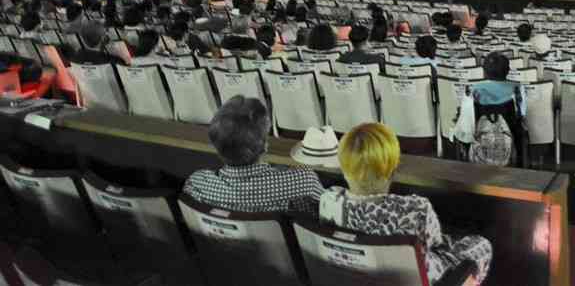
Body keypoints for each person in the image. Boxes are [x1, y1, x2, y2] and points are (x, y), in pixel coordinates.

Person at [319, 123, 492, 284]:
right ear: (393, 169)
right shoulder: (415, 209)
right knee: (480, 245)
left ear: (343, 168)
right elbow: (436, 241)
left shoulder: (329, 201)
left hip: (361, 276)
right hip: (419, 278)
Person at [184, 96, 324, 213]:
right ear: (265, 145)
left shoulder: (197, 183)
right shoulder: (303, 180)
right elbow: (326, 210)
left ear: (216, 146)